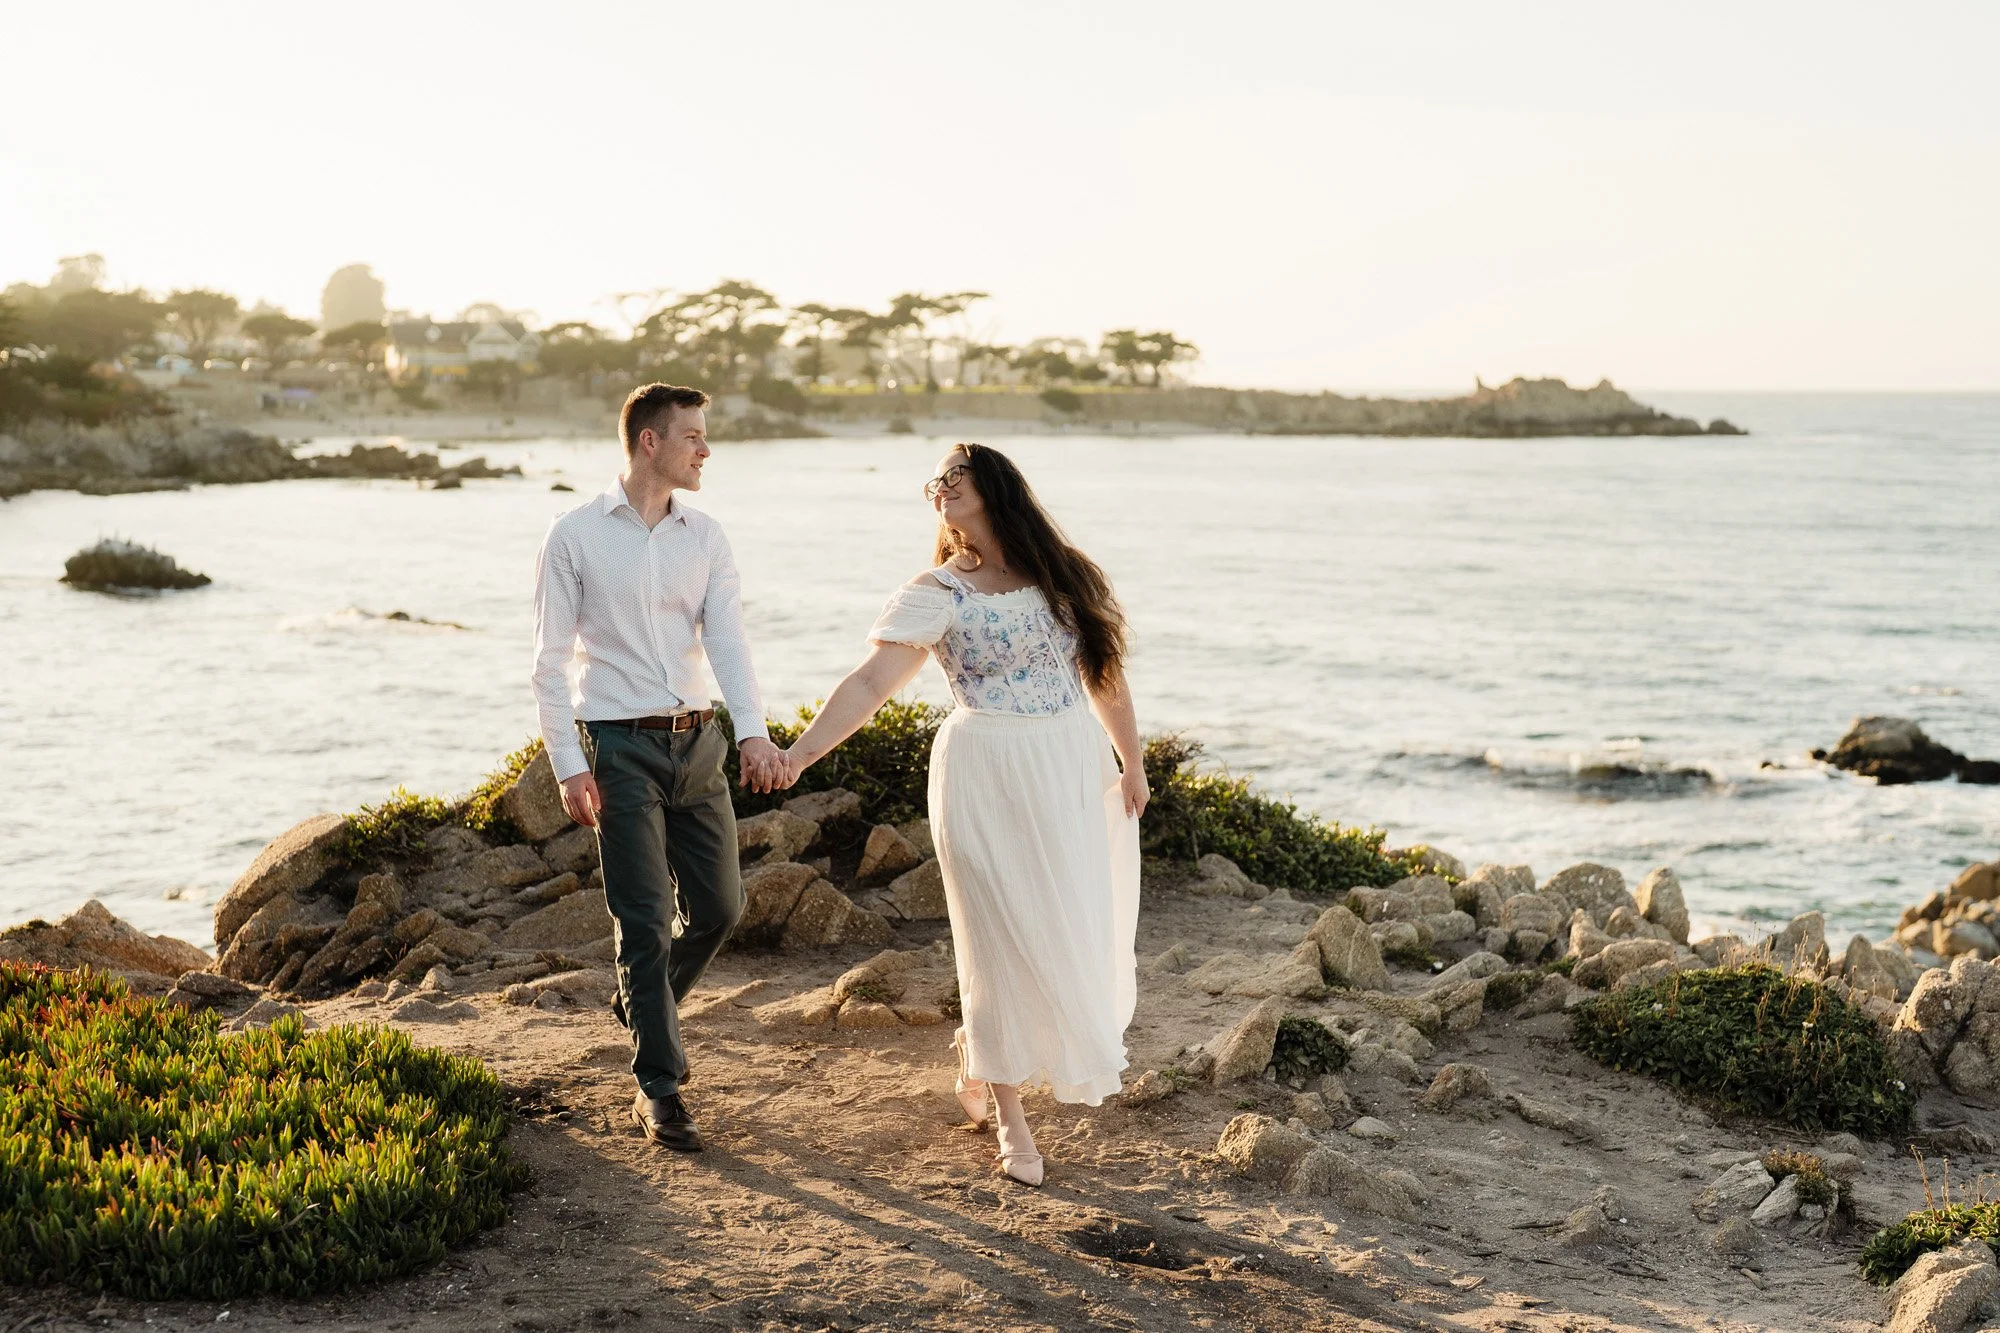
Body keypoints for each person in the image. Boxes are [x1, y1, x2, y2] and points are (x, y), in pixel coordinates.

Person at [779, 443, 1145, 1186]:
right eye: (933, 482)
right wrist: (799, 755)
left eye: (953, 476)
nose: (938, 489)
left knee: (1065, 923)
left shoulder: (1062, 573)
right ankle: (1013, 1120)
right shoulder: (940, 590)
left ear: (994, 487)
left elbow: (1103, 675)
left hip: (1070, 765)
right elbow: (871, 682)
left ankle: (979, 1056)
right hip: (984, 769)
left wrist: (1131, 760)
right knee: (998, 934)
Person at [531, 382, 789, 1154]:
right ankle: (661, 1087)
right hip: (618, 747)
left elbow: (730, 641)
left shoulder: (705, 536)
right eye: (693, 437)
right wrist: (568, 765)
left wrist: (752, 734)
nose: (705, 450)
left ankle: (644, 1005)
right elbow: (547, 664)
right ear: (650, 442)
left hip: (698, 740)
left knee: (720, 906)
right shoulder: (573, 535)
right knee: (641, 917)